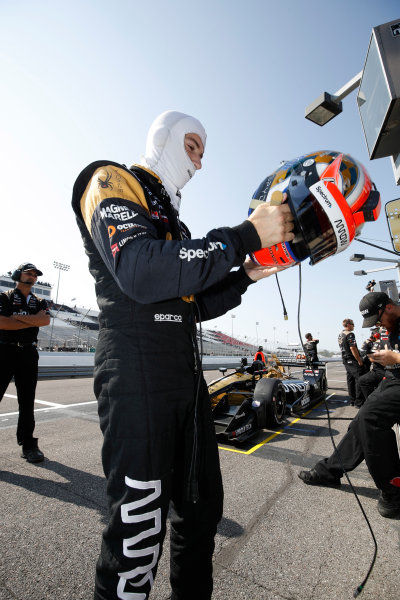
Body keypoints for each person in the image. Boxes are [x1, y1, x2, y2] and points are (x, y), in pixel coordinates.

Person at [72, 110, 294, 600]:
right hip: (135, 371)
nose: (198, 161)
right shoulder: (110, 179)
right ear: (164, 138)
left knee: (200, 511)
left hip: (184, 374)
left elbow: (194, 306)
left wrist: (251, 271)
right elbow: (139, 269)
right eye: (191, 145)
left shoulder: (175, 222)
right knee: (138, 532)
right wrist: (241, 236)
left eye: (202, 151)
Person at [298, 291, 400, 519]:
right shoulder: (389, 328)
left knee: (370, 420)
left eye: (378, 319)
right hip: (391, 380)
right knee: (359, 422)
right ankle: (330, 471)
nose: (378, 325)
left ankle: (394, 489)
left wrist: (395, 358)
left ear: (389, 308)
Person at [0, 263, 50, 462]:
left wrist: (18, 317)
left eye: (35, 275)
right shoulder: (4, 297)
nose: (32, 276)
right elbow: (3, 323)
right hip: (4, 350)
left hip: (28, 352)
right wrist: (32, 319)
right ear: (17, 275)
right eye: (28, 273)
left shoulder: (40, 301)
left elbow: (45, 321)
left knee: (27, 401)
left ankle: (28, 445)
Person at [338, 318, 364, 407]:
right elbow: (353, 348)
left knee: (350, 380)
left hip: (345, 359)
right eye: (353, 324)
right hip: (352, 360)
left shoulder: (340, 334)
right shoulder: (350, 334)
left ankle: (352, 400)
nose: (354, 326)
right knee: (359, 379)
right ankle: (359, 402)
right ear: (348, 325)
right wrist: (359, 360)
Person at [358, 330, 385, 403]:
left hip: (380, 370)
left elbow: (372, 358)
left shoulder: (376, 343)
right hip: (383, 369)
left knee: (362, 380)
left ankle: (371, 402)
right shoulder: (379, 342)